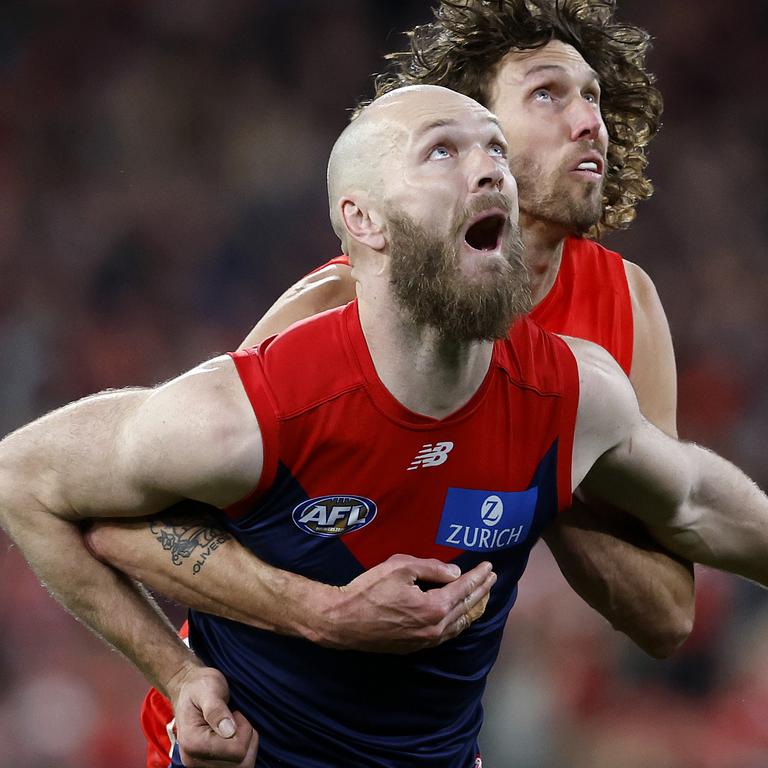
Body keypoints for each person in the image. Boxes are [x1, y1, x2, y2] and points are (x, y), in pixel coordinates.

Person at [2, 84, 768, 768]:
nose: (490, 167)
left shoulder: (572, 391)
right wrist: (181, 671)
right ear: (362, 220)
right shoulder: (252, 411)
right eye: (443, 150)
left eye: (494, 148)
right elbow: (22, 477)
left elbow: (698, 503)